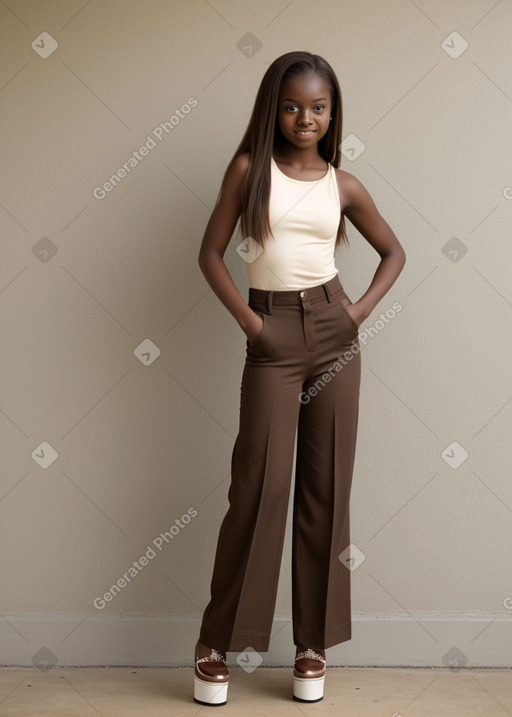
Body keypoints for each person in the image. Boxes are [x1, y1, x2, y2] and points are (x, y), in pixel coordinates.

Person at [194, 50, 406, 706]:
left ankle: (311, 643)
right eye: (292, 107)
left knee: (325, 487)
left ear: (332, 111)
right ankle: (216, 644)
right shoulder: (248, 171)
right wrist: (253, 326)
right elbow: (209, 253)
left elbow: (394, 252)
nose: (305, 118)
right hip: (273, 334)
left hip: (334, 333)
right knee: (258, 485)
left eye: (317, 107)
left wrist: (358, 312)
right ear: (273, 109)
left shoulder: (343, 184)